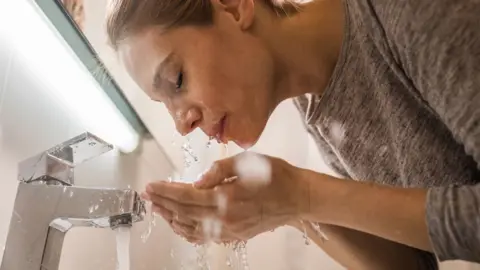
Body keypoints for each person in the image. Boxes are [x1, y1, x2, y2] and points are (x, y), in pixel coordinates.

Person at [105, 0, 480, 268]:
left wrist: (302, 193)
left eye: (177, 80)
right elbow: (412, 262)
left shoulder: (409, 12)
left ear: (234, 8)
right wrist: (281, 207)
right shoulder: (317, 101)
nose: (180, 124)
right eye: (164, 104)